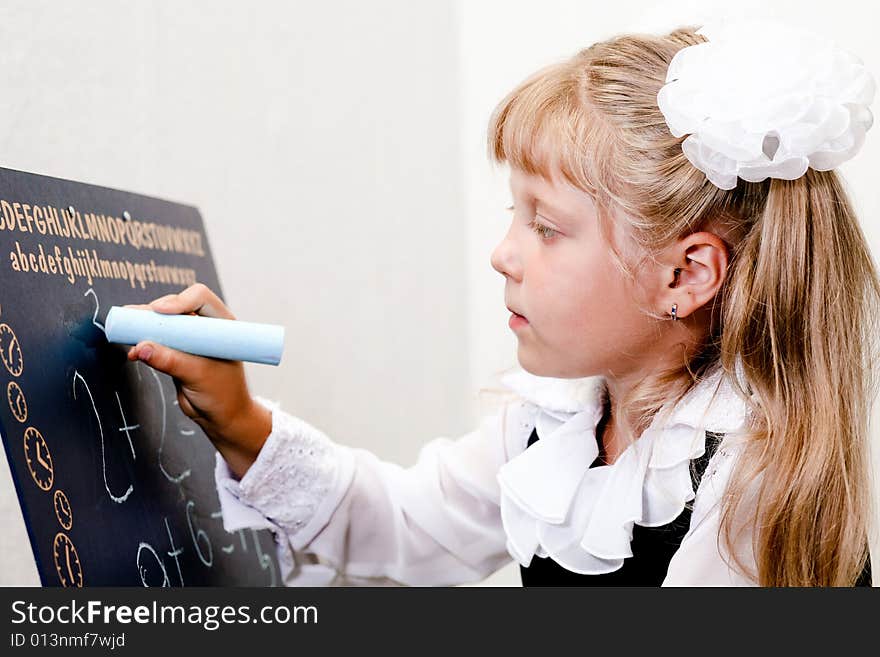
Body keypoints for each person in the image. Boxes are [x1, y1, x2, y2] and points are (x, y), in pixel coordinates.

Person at [126, 20, 877, 586]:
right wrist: (241, 421)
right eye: (513, 216)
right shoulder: (558, 420)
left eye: (546, 227)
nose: (503, 254)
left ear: (683, 277)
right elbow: (404, 523)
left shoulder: (749, 482)